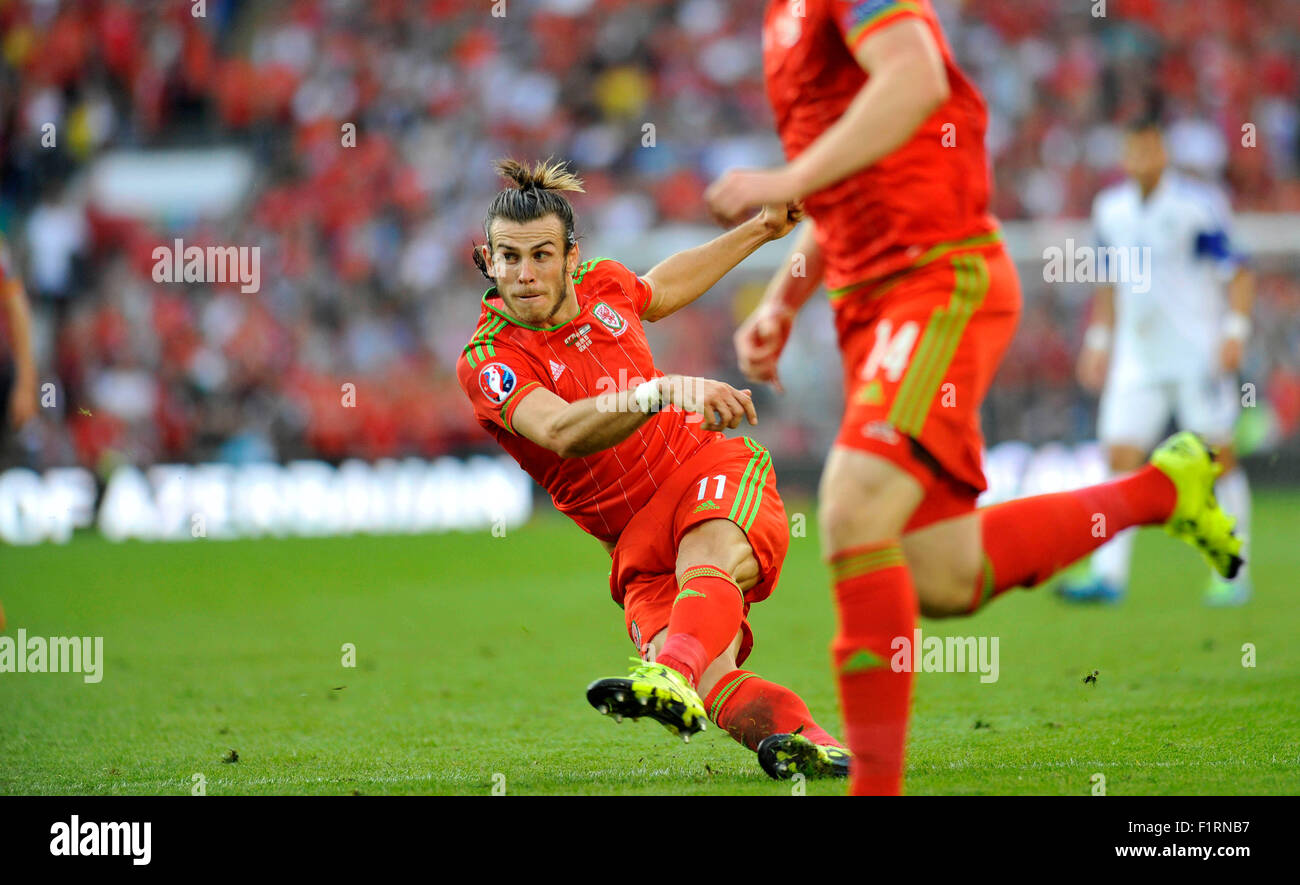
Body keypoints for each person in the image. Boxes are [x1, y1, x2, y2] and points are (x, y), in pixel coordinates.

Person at [703, 0, 1243, 794]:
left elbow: (916, 77)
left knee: (851, 505)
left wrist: (786, 179)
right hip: (870, 304)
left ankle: (875, 788)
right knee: (943, 575)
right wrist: (784, 301)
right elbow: (846, 171)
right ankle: (1164, 488)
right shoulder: (779, 20)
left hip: (937, 275)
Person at [456, 158, 848, 780]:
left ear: (571, 258)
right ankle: (816, 744)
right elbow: (559, 430)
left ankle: (670, 673)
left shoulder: (607, 287)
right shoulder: (489, 359)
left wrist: (761, 230)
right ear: (487, 260)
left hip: (703, 468)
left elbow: (660, 288)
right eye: (508, 257)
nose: (524, 274)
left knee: (704, 566)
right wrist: (657, 391)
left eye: (540, 256)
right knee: (713, 679)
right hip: (635, 544)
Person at [1066, 117, 1255, 607]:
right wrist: (1099, 340)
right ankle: (1108, 574)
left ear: (1163, 152)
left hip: (1197, 355)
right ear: (1124, 156)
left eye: (1150, 151)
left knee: (1217, 461)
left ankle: (1232, 573)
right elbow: (1108, 284)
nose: (1142, 161)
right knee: (1118, 459)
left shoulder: (1197, 206)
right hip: (1138, 358)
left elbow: (1237, 272)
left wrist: (1234, 332)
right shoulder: (1110, 209)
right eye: (1133, 152)